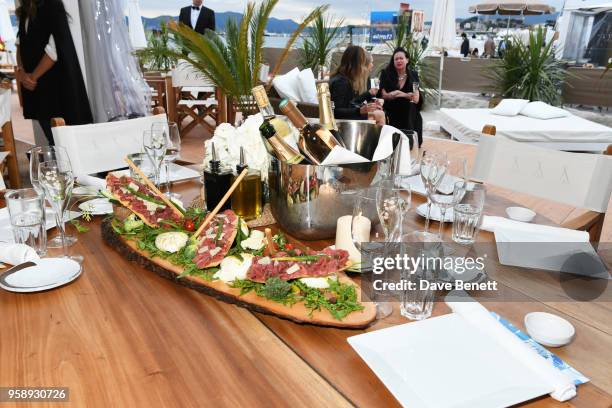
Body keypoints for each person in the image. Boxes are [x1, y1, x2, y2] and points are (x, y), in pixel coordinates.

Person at [16, 0, 92, 145]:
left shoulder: (52, 4)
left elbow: (55, 47)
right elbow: (20, 43)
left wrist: (32, 77)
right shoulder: (25, 10)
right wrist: (21, 71)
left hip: (56, 87)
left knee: (64, 142)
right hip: (37, 89)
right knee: (53, 141)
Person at [329, 45, 385, 125]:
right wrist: (359, 110)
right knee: (380, 115)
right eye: (363, 62)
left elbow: (350, 103)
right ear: (357, 63)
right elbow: (336, 112)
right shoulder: (341, 82)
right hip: (340, 122)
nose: (365, 66)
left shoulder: (346, 78)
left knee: (379, 112)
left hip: (346, 117)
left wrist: (367, 107)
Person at [379, 47, 424, 147]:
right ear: (393, 61)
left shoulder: (413, 75)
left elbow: (416, 99)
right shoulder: (386, 74)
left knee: (410, 108)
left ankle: (409, 144)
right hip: (392, 110)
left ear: (407, 60)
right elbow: (384, 95)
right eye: (396, 59)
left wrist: (399, 93)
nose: (399, 61)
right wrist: (408, 95)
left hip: (408, 111)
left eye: (401, 58)